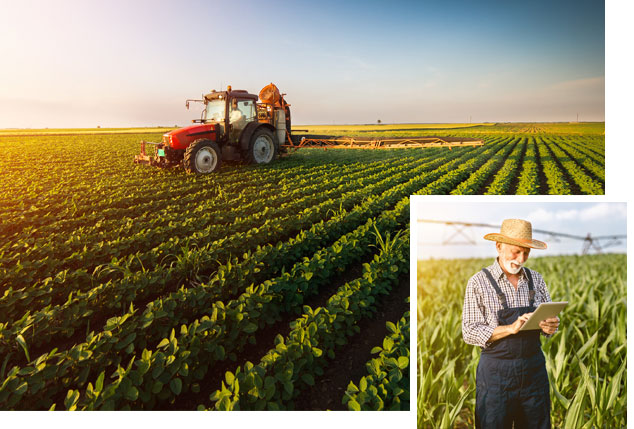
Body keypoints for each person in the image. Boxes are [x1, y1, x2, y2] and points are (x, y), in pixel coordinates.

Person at [462, 219, 560, 429]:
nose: (521, 259)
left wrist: (550, 327)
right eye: (516, 252)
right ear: (499, 246)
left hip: (534, 372)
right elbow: (469, 331)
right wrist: (510, 328)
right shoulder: (478, 282)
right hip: (497, 376)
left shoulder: (536, 279)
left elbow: (548, 326)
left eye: (526, 253)